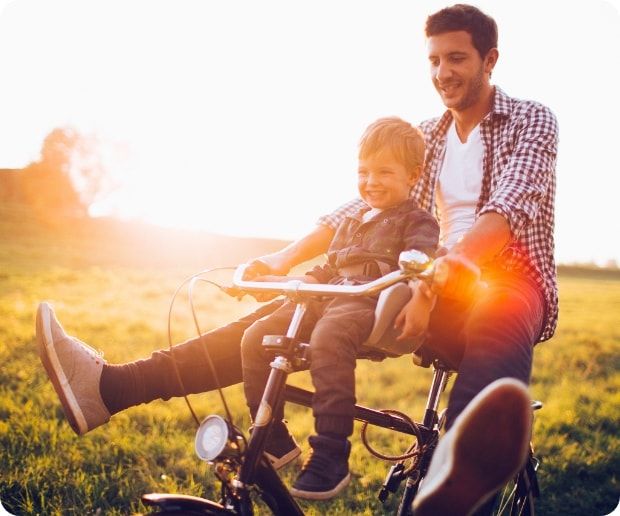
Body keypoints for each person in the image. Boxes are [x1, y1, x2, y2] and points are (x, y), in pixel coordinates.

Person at [36, 3, 558, 514]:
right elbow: (363, 207)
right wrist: (284, 259)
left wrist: (453, 264)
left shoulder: (531, 120)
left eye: (457, 59)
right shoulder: (423, 137)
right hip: (419, 282)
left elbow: (508, 204)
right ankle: (113, 388)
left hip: (501, 280)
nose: (443, 73)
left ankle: (454, 486)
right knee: (275, 323)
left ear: (490, 61)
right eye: (433, 61)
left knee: (500, 310)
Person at [240, 117, 439, 500]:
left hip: (368, 302)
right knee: (255, 337)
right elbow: (329, 267)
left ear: (413, 175)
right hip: (327, 297)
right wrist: (294, 283)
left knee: (329, 338)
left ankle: (331, 454)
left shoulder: (418, 221)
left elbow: (421, 260)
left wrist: (420, 295)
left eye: (384, 171)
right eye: (363, 171)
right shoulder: (350, 222)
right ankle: (273, 436)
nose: (371, 181)